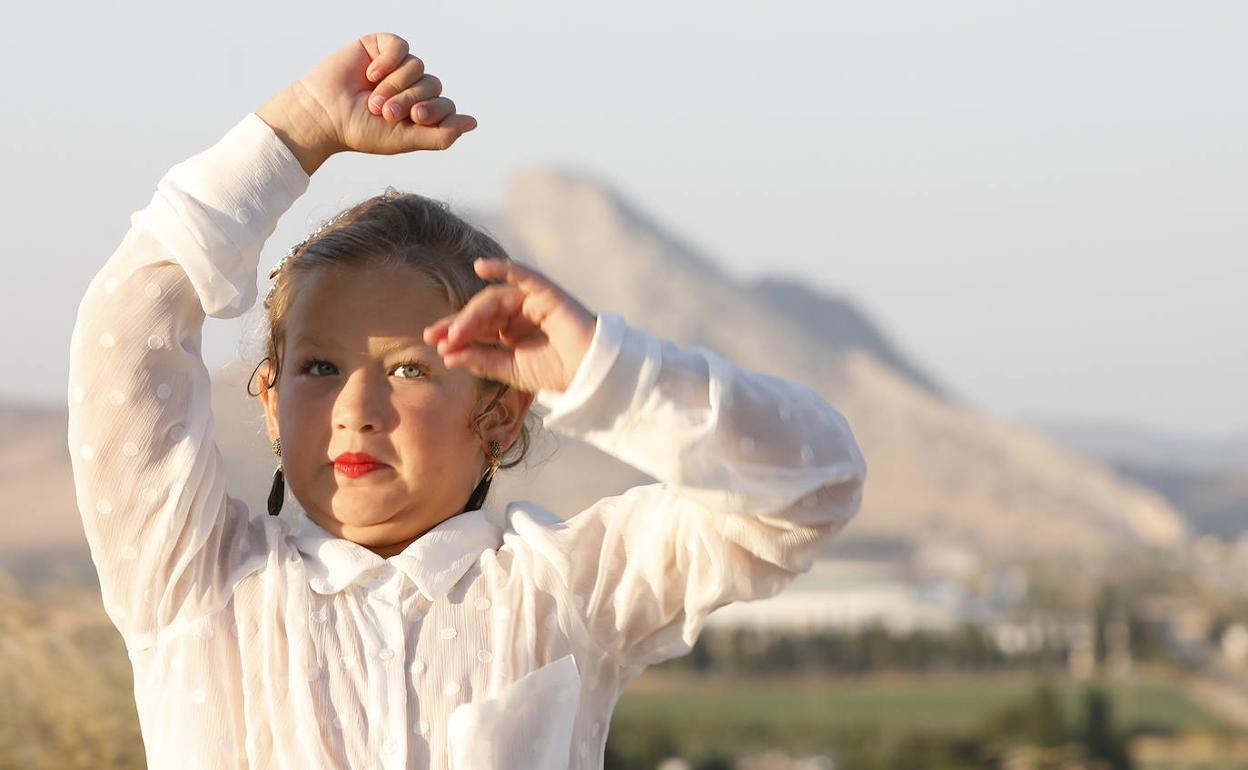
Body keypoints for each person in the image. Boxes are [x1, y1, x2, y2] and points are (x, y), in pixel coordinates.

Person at [66, 31, 868, 770]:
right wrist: (298, 130)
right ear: (270, 402)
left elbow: (814, 485)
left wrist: (607, 373)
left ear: (501, 411)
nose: (357, 409)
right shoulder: (197, 584)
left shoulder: (565, 587)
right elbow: (123, 336)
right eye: (318, 368)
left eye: (411, 370)